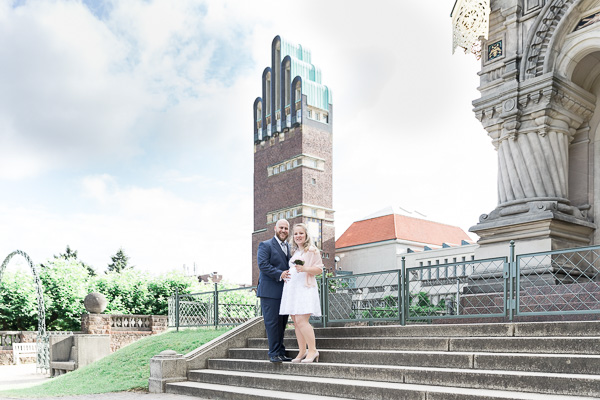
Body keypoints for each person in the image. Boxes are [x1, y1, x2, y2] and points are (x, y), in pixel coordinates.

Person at [279, 223, 323, 363]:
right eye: (296, 233)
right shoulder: (295, 252)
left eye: (301, 233)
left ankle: (313, 350)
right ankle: (302, 351)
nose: (298, 236)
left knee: (302, 321)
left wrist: (304, 269)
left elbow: (319, 269)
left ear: (306, 235)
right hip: (293, 290)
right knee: (296, 323)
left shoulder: (312, 250)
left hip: (305, 289)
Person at [256, 219, 293, 363]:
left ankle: (281, 352)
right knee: (272, 323)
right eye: (281, 228)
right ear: (275, 228)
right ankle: (273, 353)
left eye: (286, 228)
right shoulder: (265, 245)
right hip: (269, 291)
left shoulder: (289, 247)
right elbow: (263, 265)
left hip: (284, 292)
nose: (283, 230)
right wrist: (280, 274)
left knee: (282, 323)